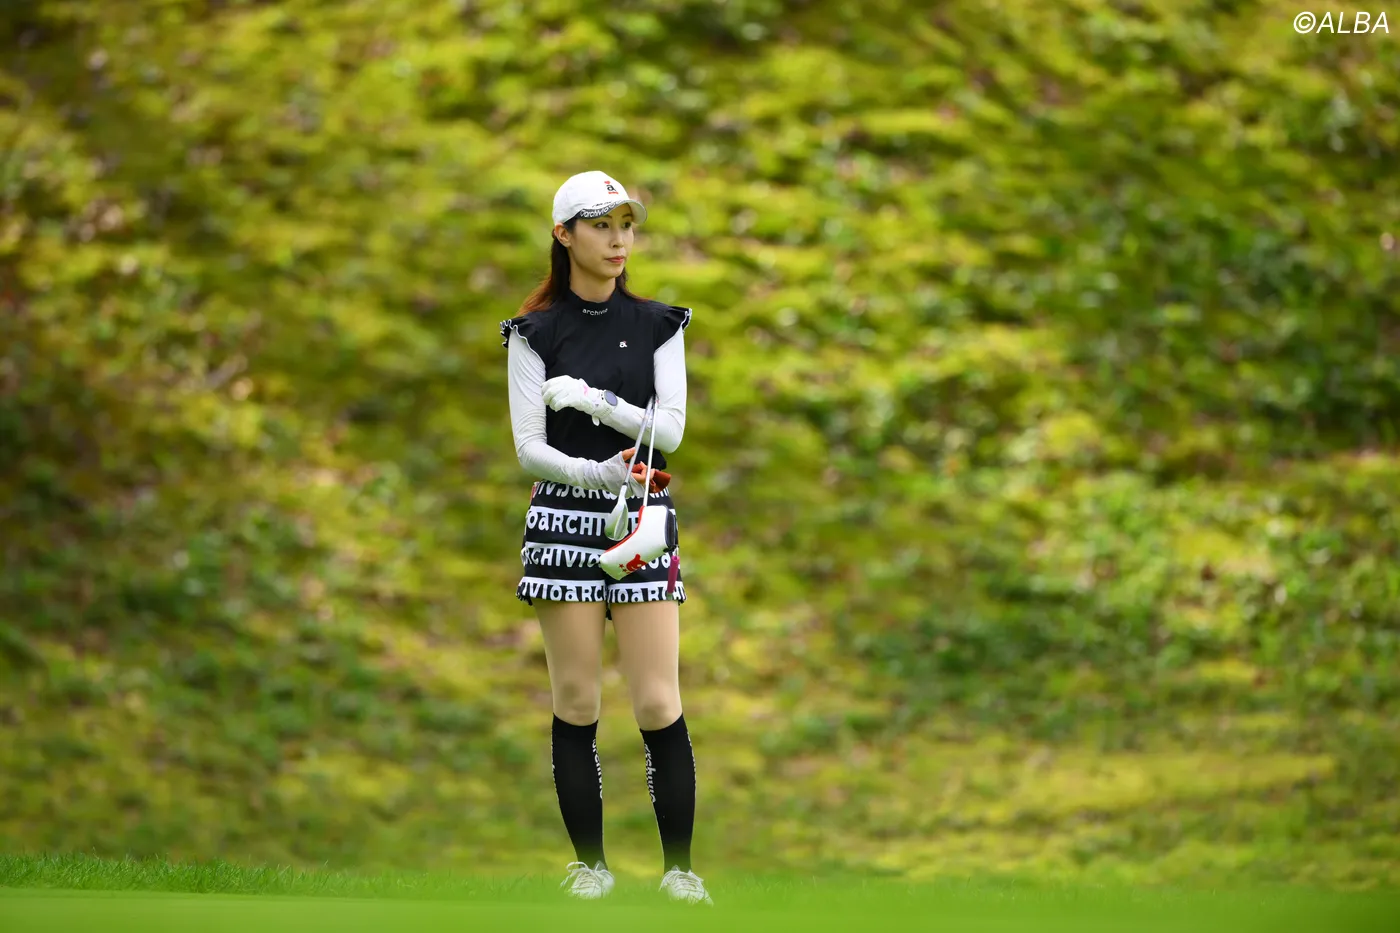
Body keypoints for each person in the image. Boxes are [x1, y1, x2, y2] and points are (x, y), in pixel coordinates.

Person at [498, 170, 712, 906]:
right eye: (601, 226)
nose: (619, 240)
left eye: (627, 226)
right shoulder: (533, 333)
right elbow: (529, 448)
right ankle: (590, 866)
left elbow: (670, 431)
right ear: (564, 235)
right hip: (563, 523)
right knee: (577, 699)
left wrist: (594, 401)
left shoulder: (659, 324)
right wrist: (595, 472)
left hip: (642, 519)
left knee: (657, 702)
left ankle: (680, 871)